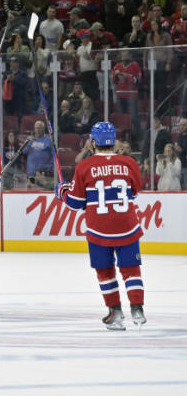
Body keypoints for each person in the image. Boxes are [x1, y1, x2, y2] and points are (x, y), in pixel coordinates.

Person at [53, 122, 145, 330]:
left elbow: (76, 202)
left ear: (93, 142)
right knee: (131, 269)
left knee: (105, 271)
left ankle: (116, 313)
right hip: (127, 226)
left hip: (99, 229)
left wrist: (62, 192)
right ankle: (137, 309)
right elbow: (135, 191)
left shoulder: (84, 166)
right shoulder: (129, 162)